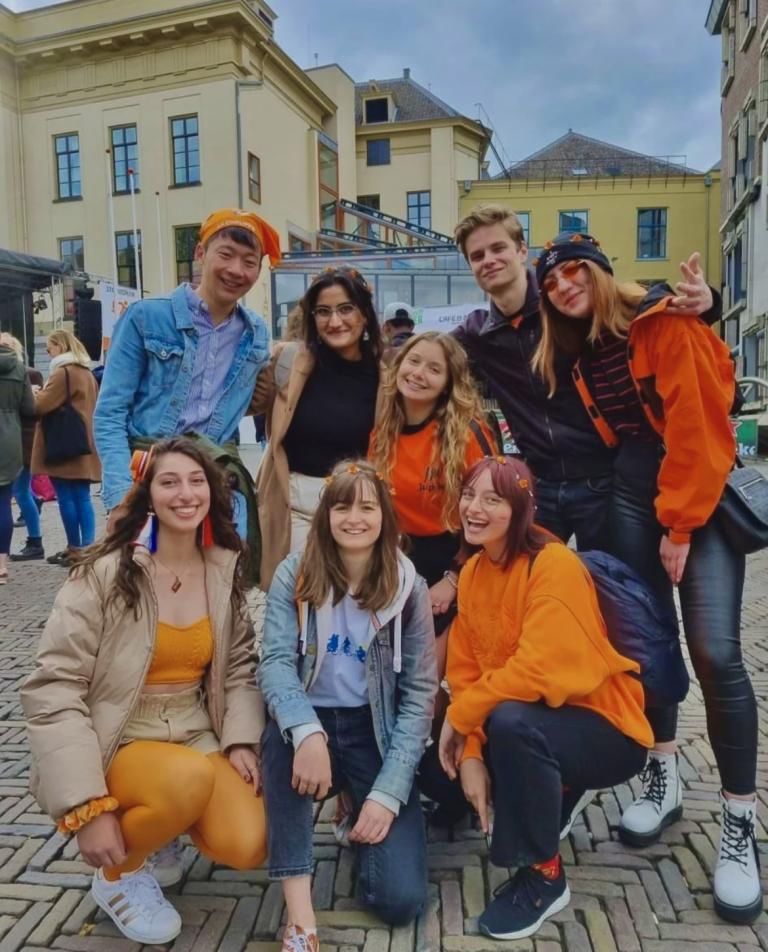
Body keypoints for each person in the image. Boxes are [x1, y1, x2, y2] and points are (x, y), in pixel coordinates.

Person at [532, 231, 761, 924]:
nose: (565, 285)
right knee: (645, 642)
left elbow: (698, 426)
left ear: (601, 270)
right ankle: (661, 775)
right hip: (632, 493)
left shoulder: (664, 322)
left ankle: (739, 823)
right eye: (553, 281)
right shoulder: (574, 352)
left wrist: (681, 526)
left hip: (697, 497)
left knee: (717, 653)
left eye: (576, 270)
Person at [22, 437, 266, 947]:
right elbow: (53, 687)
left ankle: (159, 828)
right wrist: (87, 807)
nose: (185, 494)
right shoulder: (105, 573)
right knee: (187, 781)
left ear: (213, 493)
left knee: (249, 843)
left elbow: (240, 667)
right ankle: (116, 875)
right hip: (119, 735)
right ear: (147, 492)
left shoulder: (223, 568)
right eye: (169, 481)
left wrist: (241, 738)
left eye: (197, 481)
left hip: (196, 729)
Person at [438, 456, 652, 941]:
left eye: (493, 499)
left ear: (520, 510)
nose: (475, 508)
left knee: (512, 721)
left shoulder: (552, 563)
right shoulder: (472, 574)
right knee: (471, 740)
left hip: (608, 728)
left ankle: (545, 876)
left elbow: (541, 669)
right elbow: (466, 676)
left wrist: (463, 718)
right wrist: (469, 750)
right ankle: (556, 790)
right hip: (546, 722)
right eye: (470, 494)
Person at [451, 205, 718, 550]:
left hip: (605, 479)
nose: (488, 260)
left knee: (618, 590)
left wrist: (709, 302)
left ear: (520, 250)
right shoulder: (476, 335)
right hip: (541, 484)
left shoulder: (564, 306)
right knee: (535, 586)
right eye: (477, 255)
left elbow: (637, 312)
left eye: (498, 248)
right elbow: (422, 356)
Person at [259, 460, 437, 950]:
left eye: (367, 506)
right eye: (342, 506)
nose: (354, 518)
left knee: (399, 899)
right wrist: (306, 729)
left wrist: (387, 793)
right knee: (278, 738)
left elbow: (420, 697)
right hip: (308, 721)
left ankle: (357, 801)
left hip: (371, 728)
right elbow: (274, 664)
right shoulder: (294, 576)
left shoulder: (408, 589)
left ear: (384, 516)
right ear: (325, 515)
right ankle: (300, 916)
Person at [93, 208, 280, 540]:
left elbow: (243, 401)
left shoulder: (256, 333)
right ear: (200, 254)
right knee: (146, 580)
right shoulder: (145, 317)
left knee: (217, 584)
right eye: (226, 254)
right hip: (147, 475)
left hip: (214, 479)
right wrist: (122, 495)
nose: (236, 270)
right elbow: (110, 412)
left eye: (250, 262)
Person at [252, 268, 383, 589]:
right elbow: (242, 402)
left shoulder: (387, 374)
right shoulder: (289, 360)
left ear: (365, 314)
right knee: (299, 601)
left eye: (346, 309)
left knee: (352, 606)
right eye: (323, 312)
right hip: (295, 506)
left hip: (356, 507)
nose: (334, 321)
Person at [31, 330, 100, 566]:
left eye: (49, 349)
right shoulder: (86, 372)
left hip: (63, 444)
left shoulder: (63, 373)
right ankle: (88, 547)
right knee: (82, 498)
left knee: (66, 498)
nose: (49, 354)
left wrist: (35, 394)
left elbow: (40, 405)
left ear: (60, 346)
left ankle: (75, 548)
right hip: (83, 443)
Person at [0, 333, 45, 561]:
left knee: (21, 492)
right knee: (12, 496)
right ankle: (4, 560)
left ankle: (35, 540)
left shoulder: (28, 372)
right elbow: (30, 410)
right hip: (15, 440)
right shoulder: (21, 371)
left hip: (23, 442)